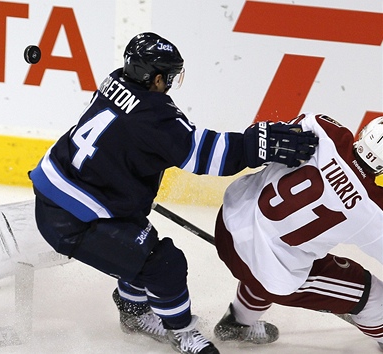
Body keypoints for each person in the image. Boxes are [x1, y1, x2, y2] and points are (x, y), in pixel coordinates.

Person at [28, 32, 318, 354]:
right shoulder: (154, 118)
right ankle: (181, 332)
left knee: (137, 241)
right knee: (164, 264)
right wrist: (257, 145)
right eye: (167, 77)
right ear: (154, 78)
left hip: (64, 189)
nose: (169, 83)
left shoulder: (115, 82)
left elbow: (128, 143)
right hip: (75, 217)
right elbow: (206, 155)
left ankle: (133, 313)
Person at [212, 112, 383, 351]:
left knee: (280, 254)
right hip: (266, 272)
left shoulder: (322, 129)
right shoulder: (374, 211)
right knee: (373, 297)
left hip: (228, 225)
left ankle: (236, 323)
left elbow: (270, 141)